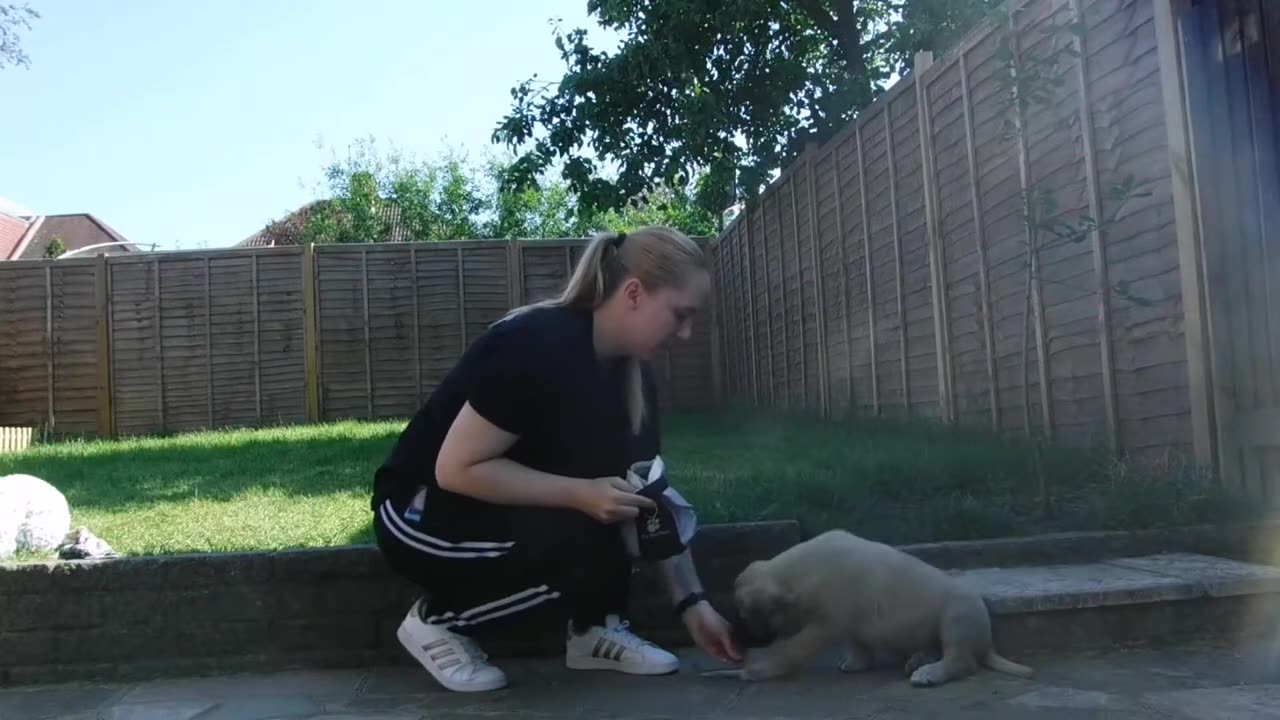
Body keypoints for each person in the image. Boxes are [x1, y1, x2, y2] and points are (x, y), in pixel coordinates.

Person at [370, 225, 743, 693]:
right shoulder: (536, 345)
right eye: (680, 315)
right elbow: (456, 468)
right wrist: (580, 493)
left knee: (620, 507)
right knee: (582, 529)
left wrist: (693, 603)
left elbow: (651, 497)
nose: (686, 334)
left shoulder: (633, 381)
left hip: (490, 511)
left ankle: (591, 630)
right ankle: (437, 622)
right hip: (420, 515)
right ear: (633, 293)